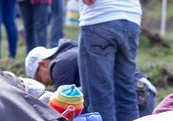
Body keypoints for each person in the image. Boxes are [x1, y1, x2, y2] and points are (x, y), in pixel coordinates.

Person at [26, 42, 157, 117]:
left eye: (40, 79)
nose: (47, 84)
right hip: (142, 90)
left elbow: (62, 110)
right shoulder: (72, 51)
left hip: (135, 96)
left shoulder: (60, 64)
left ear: (43, 64)